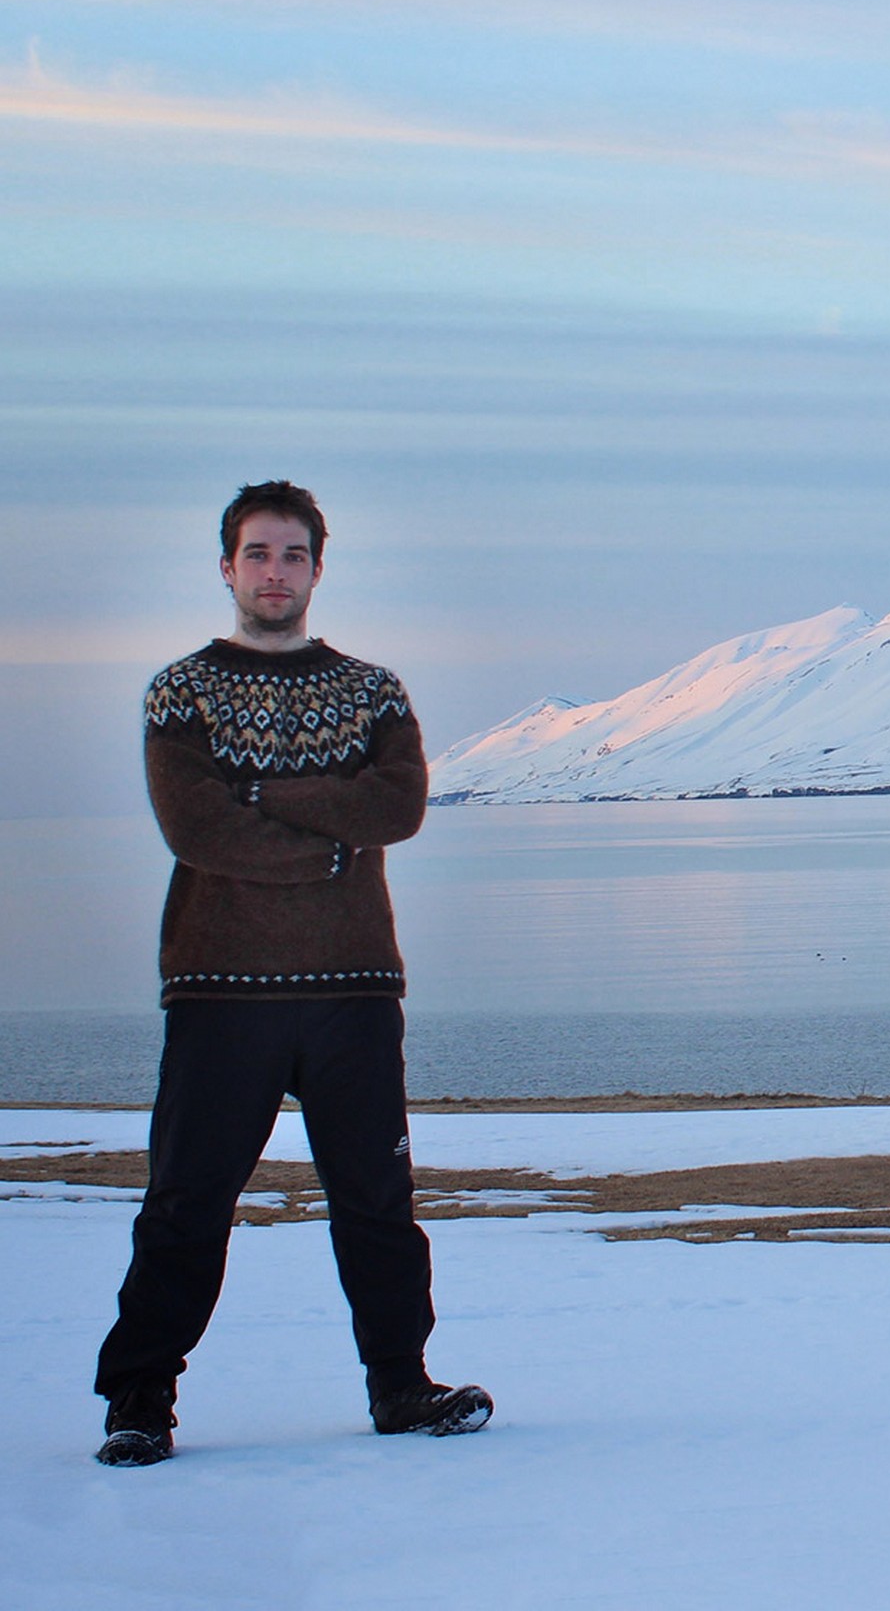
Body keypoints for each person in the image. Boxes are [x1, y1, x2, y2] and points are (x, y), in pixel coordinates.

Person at [94, 481, 490, 1466]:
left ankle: (402, 1385)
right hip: (220, 989)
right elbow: (196, 827)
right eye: (258, 554)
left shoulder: (374, 690)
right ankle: (140, 1400)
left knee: (378, 1204)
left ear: (319, 566)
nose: (276, 571)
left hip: (355, 988)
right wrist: (322, 840)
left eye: (294, 554)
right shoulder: (180, 692)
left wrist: (262, 790)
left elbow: (395, 809)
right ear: (227, 566)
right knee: (188, 1203)